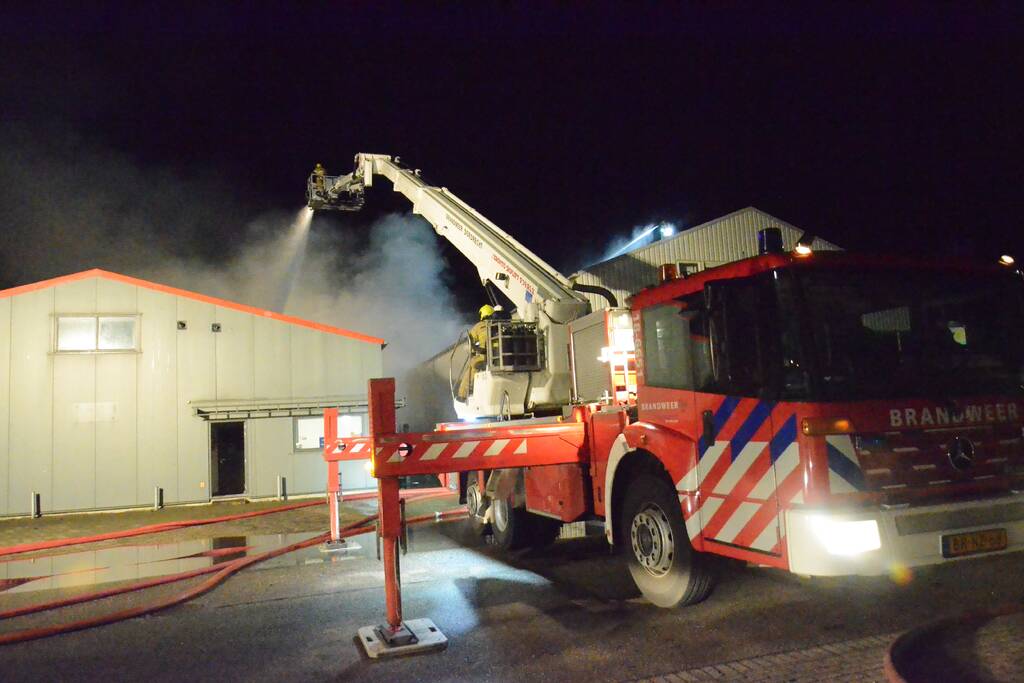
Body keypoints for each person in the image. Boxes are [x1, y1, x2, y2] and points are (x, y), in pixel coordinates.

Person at [456, 305, 494, 402]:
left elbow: (470, 340)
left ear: (483, 314)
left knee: (472, 366)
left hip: (485, 358)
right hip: (500, 358)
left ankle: (462, 395)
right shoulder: (498, 325)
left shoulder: (479, 326)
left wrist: (473, 349)